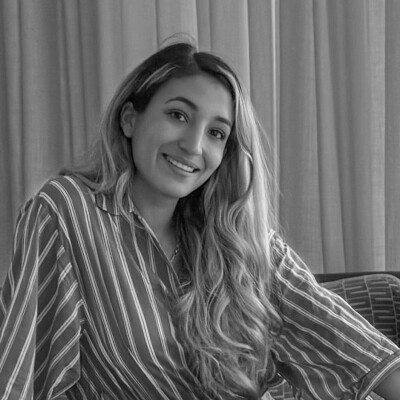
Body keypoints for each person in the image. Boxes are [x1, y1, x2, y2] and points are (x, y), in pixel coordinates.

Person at [0, 40, 399, 400]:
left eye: (216, 133)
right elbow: (19, 371)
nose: (193, 145)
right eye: (178, 115)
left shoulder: (244, 243)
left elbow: (359, 351)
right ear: (129, 119)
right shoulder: (65, 210)